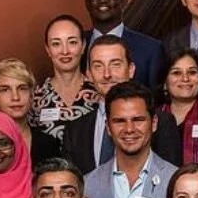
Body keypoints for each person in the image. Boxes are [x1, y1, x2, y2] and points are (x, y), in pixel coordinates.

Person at [82, 81, 179, 198]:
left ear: (154, 123)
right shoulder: (89, 184)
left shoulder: (174, 181)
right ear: (108, 127)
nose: (129, 129)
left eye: (138, 120)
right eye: (119, 121)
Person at [62, 35, 182, 174]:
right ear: (89, 74)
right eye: (98, 66)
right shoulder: (75, 130)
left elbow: (172, 180)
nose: (107, 74)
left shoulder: (162, 122)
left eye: (115, 64)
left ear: (131, 70)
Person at [82, 0, 165, 89]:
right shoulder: (75, 46)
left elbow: (156, 100)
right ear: (87, 3)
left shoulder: (151, 49)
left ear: (124, 0)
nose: (103, 0)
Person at [31, 14, 101, 142]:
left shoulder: (99, 93)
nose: (65, 51)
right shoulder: (36, 100)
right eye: (56, 44)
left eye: (72, 42)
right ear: (48, 49)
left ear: (83, 46)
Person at [0, 58, 61, 163]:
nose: (15, 97)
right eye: (5, 89)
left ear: (32, 95)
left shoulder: (48, 143)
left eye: (22, 88)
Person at [159, 49, 198, 168]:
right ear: (165, 82)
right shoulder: (153, 119)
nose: (185, 79)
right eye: (176, 73)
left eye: (192, 72)